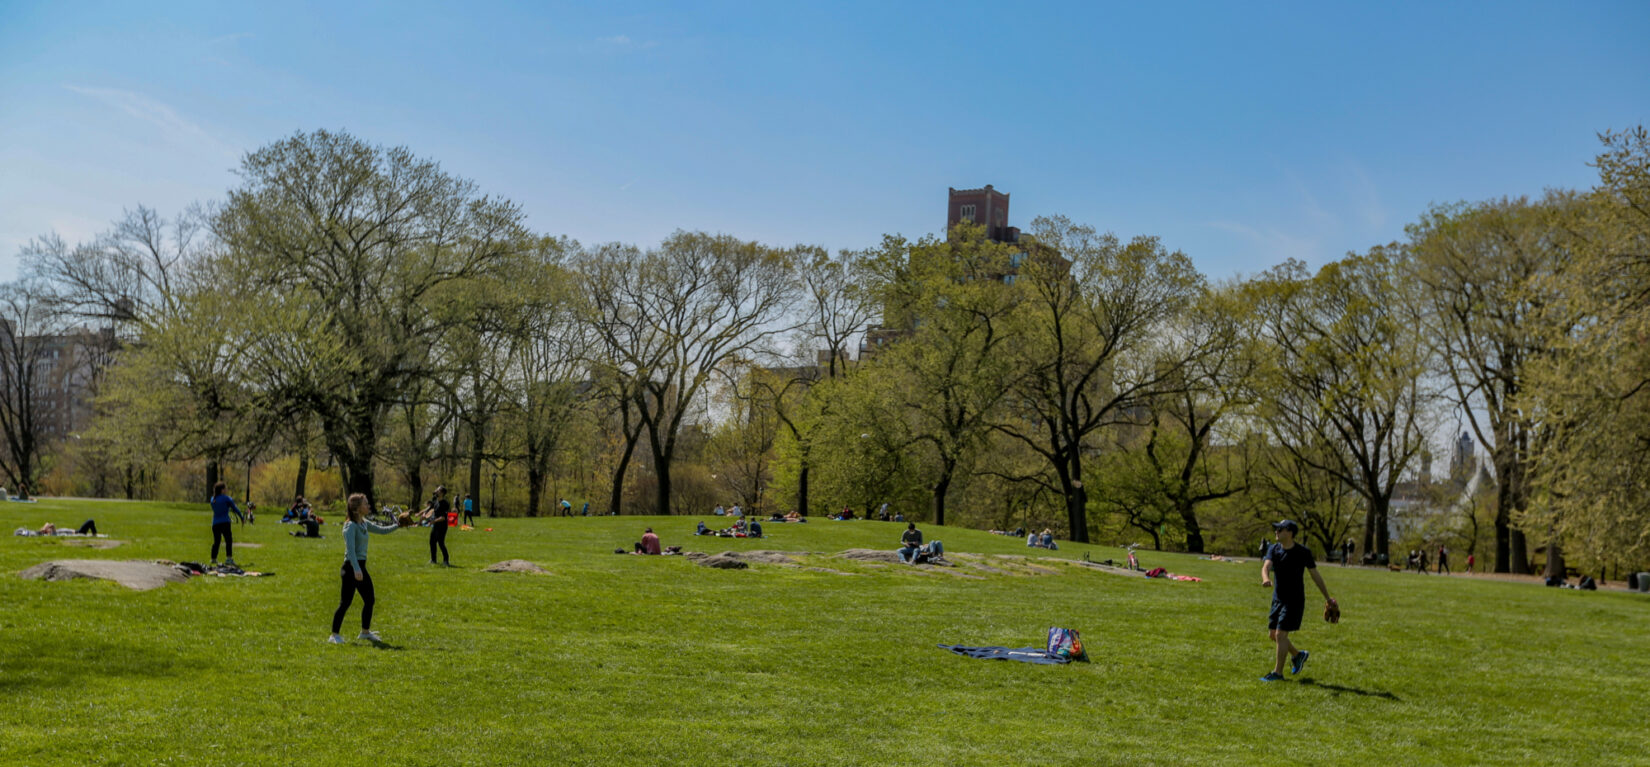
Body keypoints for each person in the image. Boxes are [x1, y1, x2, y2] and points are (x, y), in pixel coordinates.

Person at [1259, 519, 1335, 682]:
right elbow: (1266, 566)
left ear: (1290, 532)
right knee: (1273, 635)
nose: (1276, 532)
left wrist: (1327, 598)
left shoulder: (1303, 552)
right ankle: (1298, 655)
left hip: (1294, 600)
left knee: (1280, 635)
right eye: (1276, 529)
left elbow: (1315, 575)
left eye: (1280, 529)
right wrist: (1266, 578)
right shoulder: (1274, 549)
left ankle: (1277, 674)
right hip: (1277, 599)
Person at [328, 493, 399, 644]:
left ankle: (365, 632)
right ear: (356, 508)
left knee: (369, 599)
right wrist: (356, 569)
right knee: (345, 602)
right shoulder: (350, 527)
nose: (368, 506)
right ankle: (334, 635)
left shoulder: (363, 523)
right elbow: (351, 550)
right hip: (350, 568)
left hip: (360, 567)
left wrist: (398, 525)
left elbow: (381, 530)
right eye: (365, 504)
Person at [208, 481, 246, 567]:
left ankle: (213, 558)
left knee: (216, 541)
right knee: (228, 540)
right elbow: (235, 508)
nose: (226, 490)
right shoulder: (226, 498)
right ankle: (229, 558)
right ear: (222, 490)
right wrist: (242, 518)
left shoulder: (212, 499)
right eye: (225, 488)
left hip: (215, 523)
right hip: (225, 522)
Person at [423, 486, 451, 566]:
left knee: (441, 543)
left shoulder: (445, 504)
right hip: (435, 525)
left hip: (442, 526)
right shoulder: (435, 501)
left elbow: (443, 518)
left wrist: (433, 521)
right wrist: (423, 514)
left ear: (442, 493)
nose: (435, 491)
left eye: (437, 490)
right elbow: (429, 509)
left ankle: (446, 561)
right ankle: (433, 560)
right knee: (432, 541)